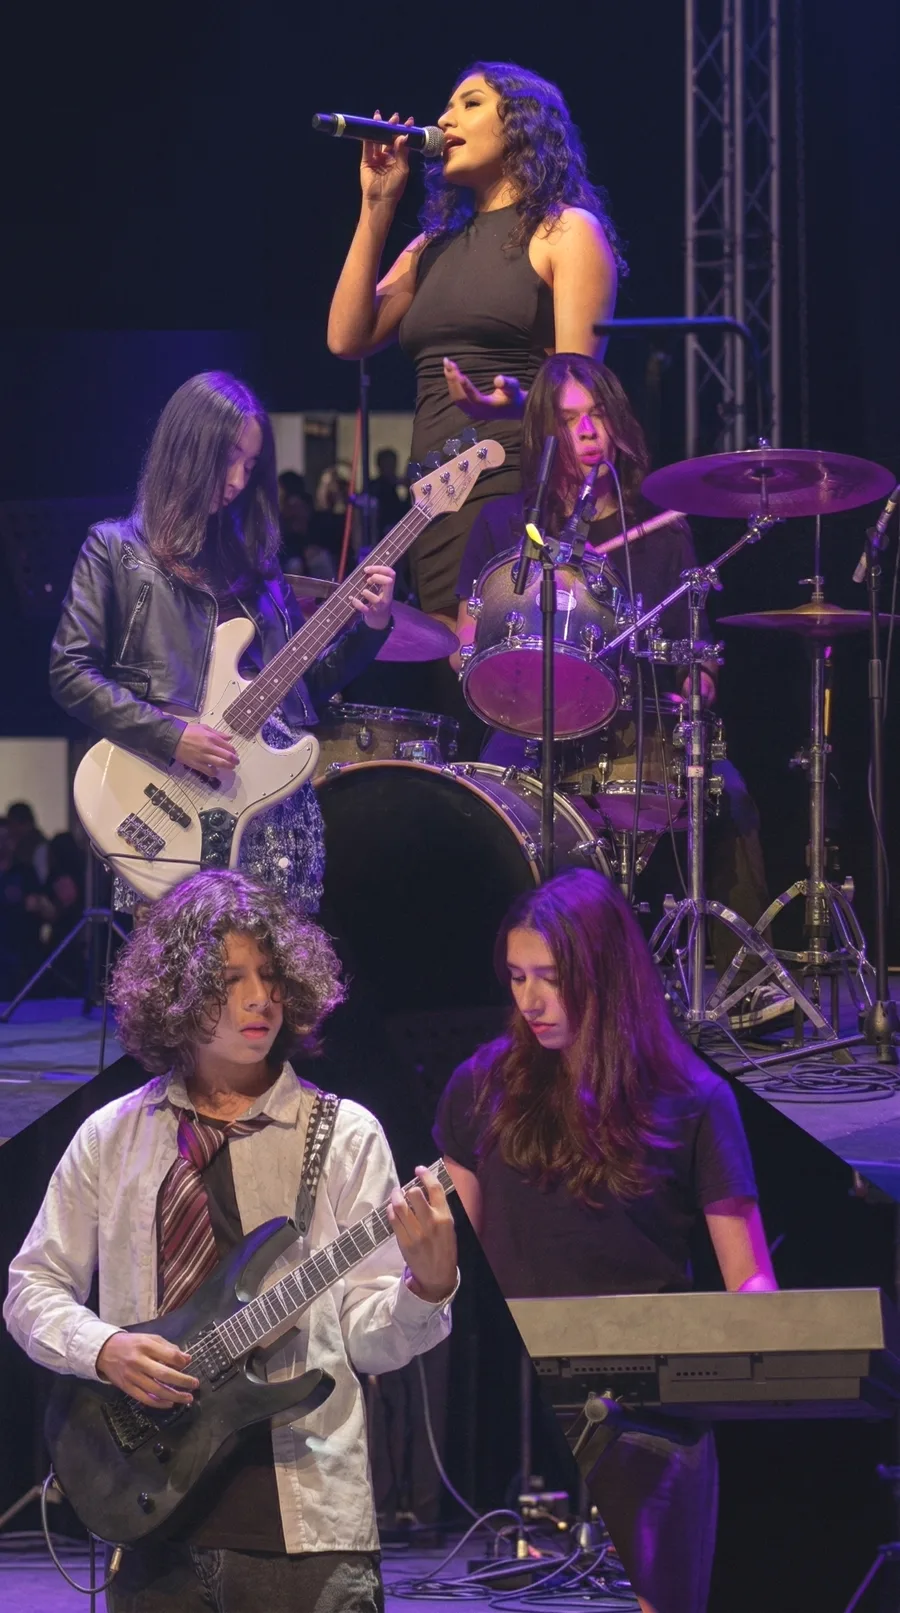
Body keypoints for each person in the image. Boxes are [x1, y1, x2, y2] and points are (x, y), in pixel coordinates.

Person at [4, 869, 458, 1613]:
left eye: (271, 975)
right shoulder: (110, 1137)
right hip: (149, 1526)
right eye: (230, 980)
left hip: (304, 1533)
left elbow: (369, 1342)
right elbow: (30, 1288)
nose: (260, 998)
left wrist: (425, 1288)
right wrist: (104, 1348)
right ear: (176, 992)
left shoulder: (344, 1135)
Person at [433, 868, 777, 1613]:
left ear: (605, 975)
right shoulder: (478, 1088)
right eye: (517, 977)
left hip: (650, 1419)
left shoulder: (696, 1099)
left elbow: (749, 1279)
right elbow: (456, 1260)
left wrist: (772, 1339)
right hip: (529, 1413)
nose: (530, 1001)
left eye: (550, 978)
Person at [453, 353, 787, 1027]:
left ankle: (747, 989)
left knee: (728, 792)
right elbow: (467, 641)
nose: (586, 431)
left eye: (597, 415)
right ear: (544, 432)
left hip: (633, 724)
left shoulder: (661, 528)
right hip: (530, 724)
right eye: (569, 419)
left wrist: (696, 686)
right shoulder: (503, 525)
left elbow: (698, 659)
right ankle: (499, 987)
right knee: (484, 807)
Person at [48, 372, 396, 915]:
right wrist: (171, 736)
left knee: (278, 965)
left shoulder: (257, 565)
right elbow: (70, 673)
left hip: (273, 813)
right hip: (170, 801)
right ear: (188, 446)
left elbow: (303, 687)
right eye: (229, 459)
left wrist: (372, 627)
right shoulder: (115, 550)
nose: (237, 481)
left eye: (250, 467)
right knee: (180, 966)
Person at [327, 60, 623, 629]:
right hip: (434, 498)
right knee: (449, 668)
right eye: (447, 106)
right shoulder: (429, 248)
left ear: (522, 125)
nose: (444, 119)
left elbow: (580, 394)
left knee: (499, 663)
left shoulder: (565, 232)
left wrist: (517, 405)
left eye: (470, 103)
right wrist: (378, 205)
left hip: (515, 489)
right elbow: (346, 337)